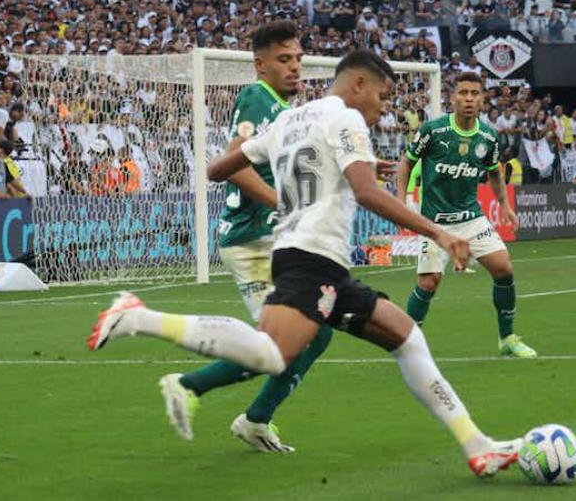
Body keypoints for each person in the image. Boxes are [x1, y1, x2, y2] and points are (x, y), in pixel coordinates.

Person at [87, 50, 524, 478]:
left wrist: (257, 145)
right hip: (308, 259)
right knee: (270, 353)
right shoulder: (346, 117)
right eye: (383, 96)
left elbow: (219, 169)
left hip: (318, 263)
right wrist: (438, 232)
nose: (383, 108)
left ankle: (477, 447)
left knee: (407, 339)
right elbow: (368, 193)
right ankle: (138, 318)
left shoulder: (286, 120)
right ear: (358, 84)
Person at [159, 21, 325, 453]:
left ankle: (254, 419)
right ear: (260, 64)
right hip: (252, 239)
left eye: (298, 59)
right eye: (284, 60)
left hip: (272, 240)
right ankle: (193, 387)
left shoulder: (284, 109)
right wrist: (279, 203)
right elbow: (233, 162)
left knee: (313, 331)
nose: (295, 68)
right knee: (286, 341)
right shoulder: (256, 97)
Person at [396, 72, 534, 357]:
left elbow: (494, 172)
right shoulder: (433, 130)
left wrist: (505, 206)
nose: (468, 99)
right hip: (435, 222)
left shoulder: (488, 136)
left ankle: (507, 338)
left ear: (482, 99)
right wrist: (401, 202)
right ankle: (407, 344)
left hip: (471, 218)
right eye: (463, 93)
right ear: (452, 97)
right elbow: (406, 164)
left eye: (474, 93)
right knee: (429, 282)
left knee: (504, 268)